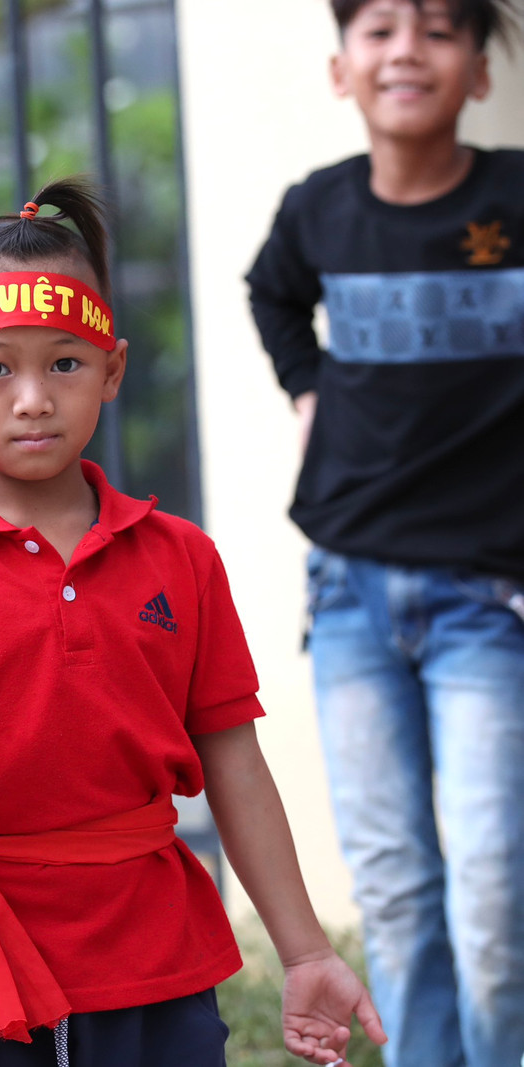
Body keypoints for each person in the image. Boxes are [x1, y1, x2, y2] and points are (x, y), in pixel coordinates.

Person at [0, 178, 385, 1067]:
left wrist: (306, 952)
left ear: (112, 370)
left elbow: (234, 761)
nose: (33, 398)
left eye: (65, 364)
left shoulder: (181, 557)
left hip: (159, 958)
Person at [245, 1, 524, 1064]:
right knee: (398, 888)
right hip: (351, 592)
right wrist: (308, 388)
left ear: (479, 74)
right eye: (379, 30)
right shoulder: (317, 209)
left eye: (440, 30)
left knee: (495, 890)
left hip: (489, 602)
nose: (407, 49)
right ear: (341, 69)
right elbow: (271, 295)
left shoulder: (512, 200)